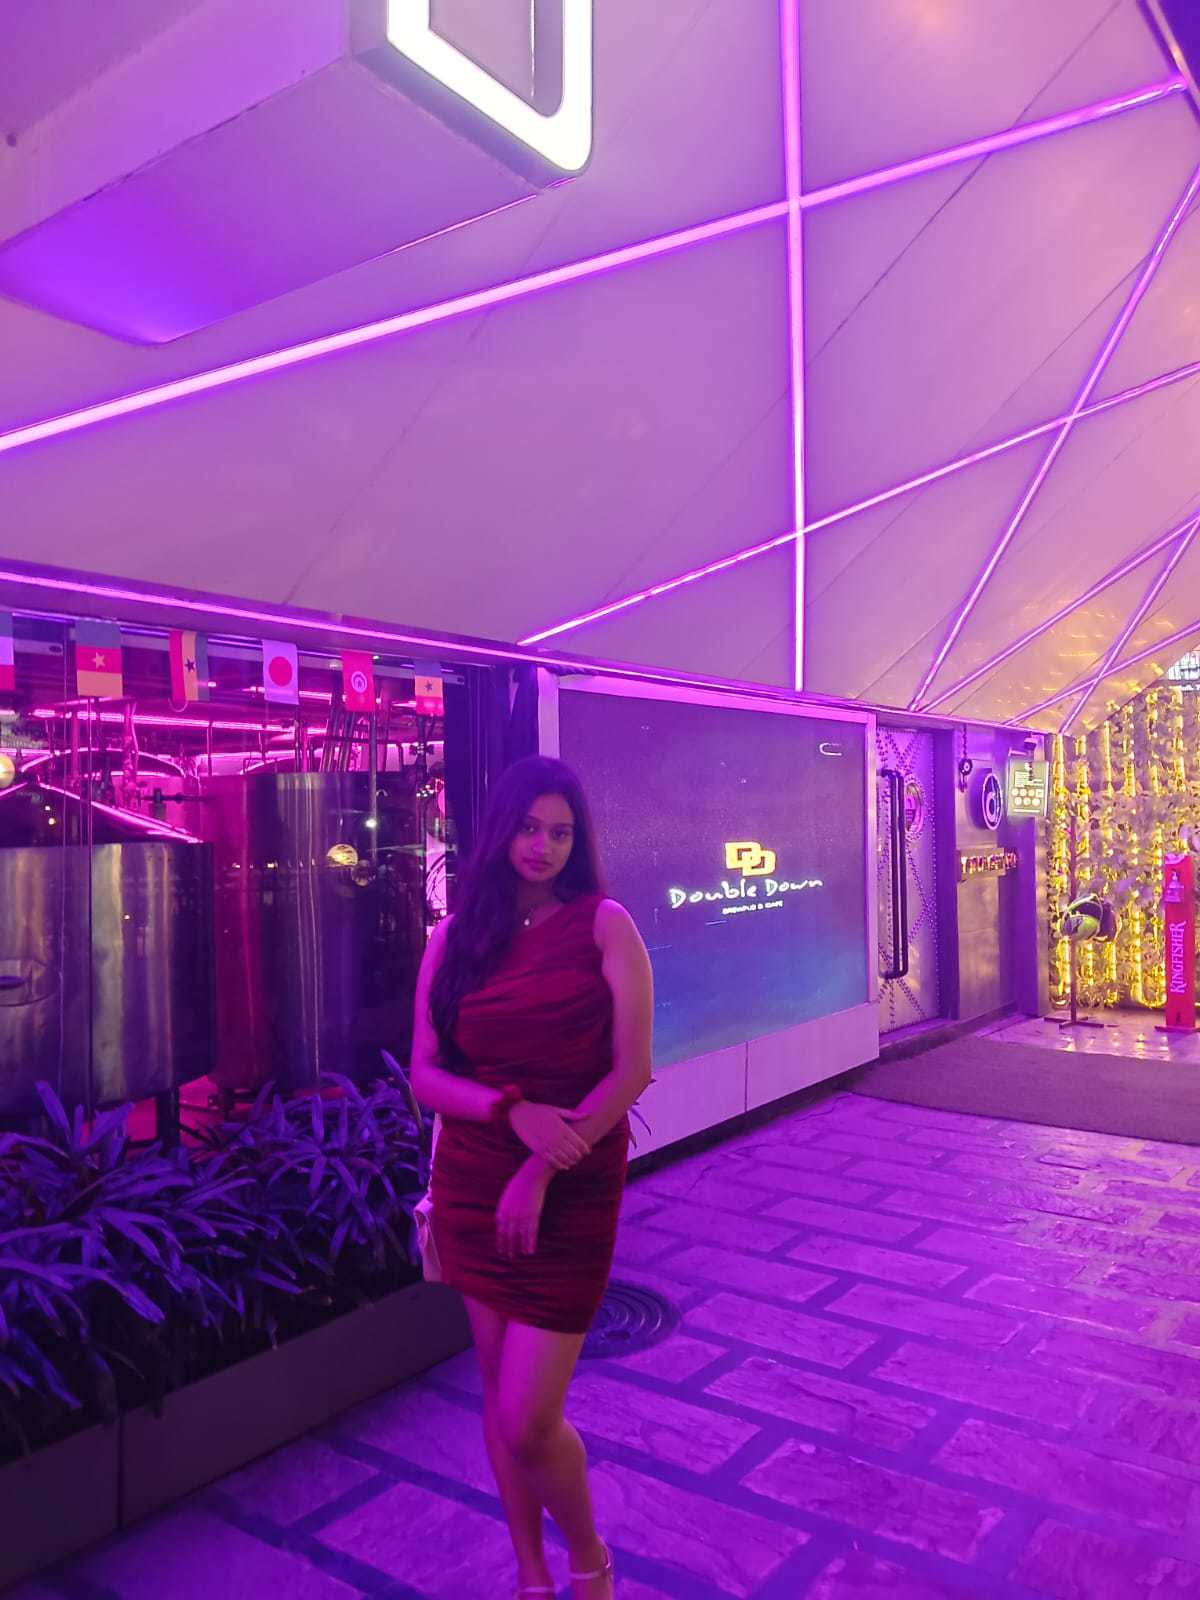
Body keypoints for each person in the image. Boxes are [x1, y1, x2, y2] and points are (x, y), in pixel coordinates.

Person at [410, 754, 654, 1600]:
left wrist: (544, 1169)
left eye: (560, 832)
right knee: (495, 1394)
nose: (542, 846)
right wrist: (510, 1114)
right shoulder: (453, 940)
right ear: (499, 830)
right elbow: (426, 1075)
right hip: (476, 1179)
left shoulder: (604, 926)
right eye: (527, 827)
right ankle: (530, 1573)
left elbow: (631, 1071)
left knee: (526, 1416)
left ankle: (590, 1562)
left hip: (573, 1185)